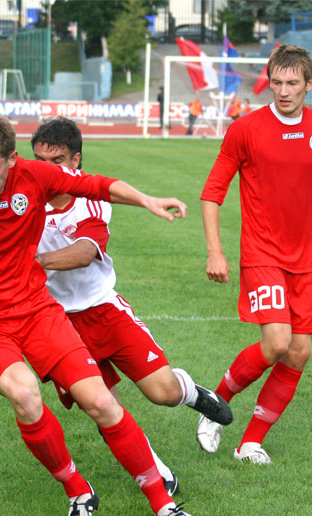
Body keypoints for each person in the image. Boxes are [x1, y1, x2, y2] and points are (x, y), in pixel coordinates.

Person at [0, 112, 202, 516]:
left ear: (12, 161)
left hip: (37, 311)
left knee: (101, 402)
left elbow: (96, 185)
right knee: (24, 394)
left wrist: (147, 200)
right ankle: (77, 490)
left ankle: (163, 503)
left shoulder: (35, 177)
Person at [31, 117, 233, 495]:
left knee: (163, 394)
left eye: (56, 160)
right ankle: (155, 469)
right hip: (55, 323)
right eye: (40, 161)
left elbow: (85, 251)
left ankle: (194, 393)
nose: (47, 170)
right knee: (103, 406)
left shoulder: (89, 198)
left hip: (104, 311)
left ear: (76, 160)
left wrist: (35, 262)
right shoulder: (25, 197)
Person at [198, 44, 312, 465]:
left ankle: (250, 442)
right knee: (277, 342)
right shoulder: (246, 129)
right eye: (277, 82)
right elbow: (213, 193)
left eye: (292, 84)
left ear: (309, 84)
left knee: (300, 352)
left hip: (307, 259)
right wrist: (216, 251)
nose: (283, 91)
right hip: (262, 252)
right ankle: (215, 404)